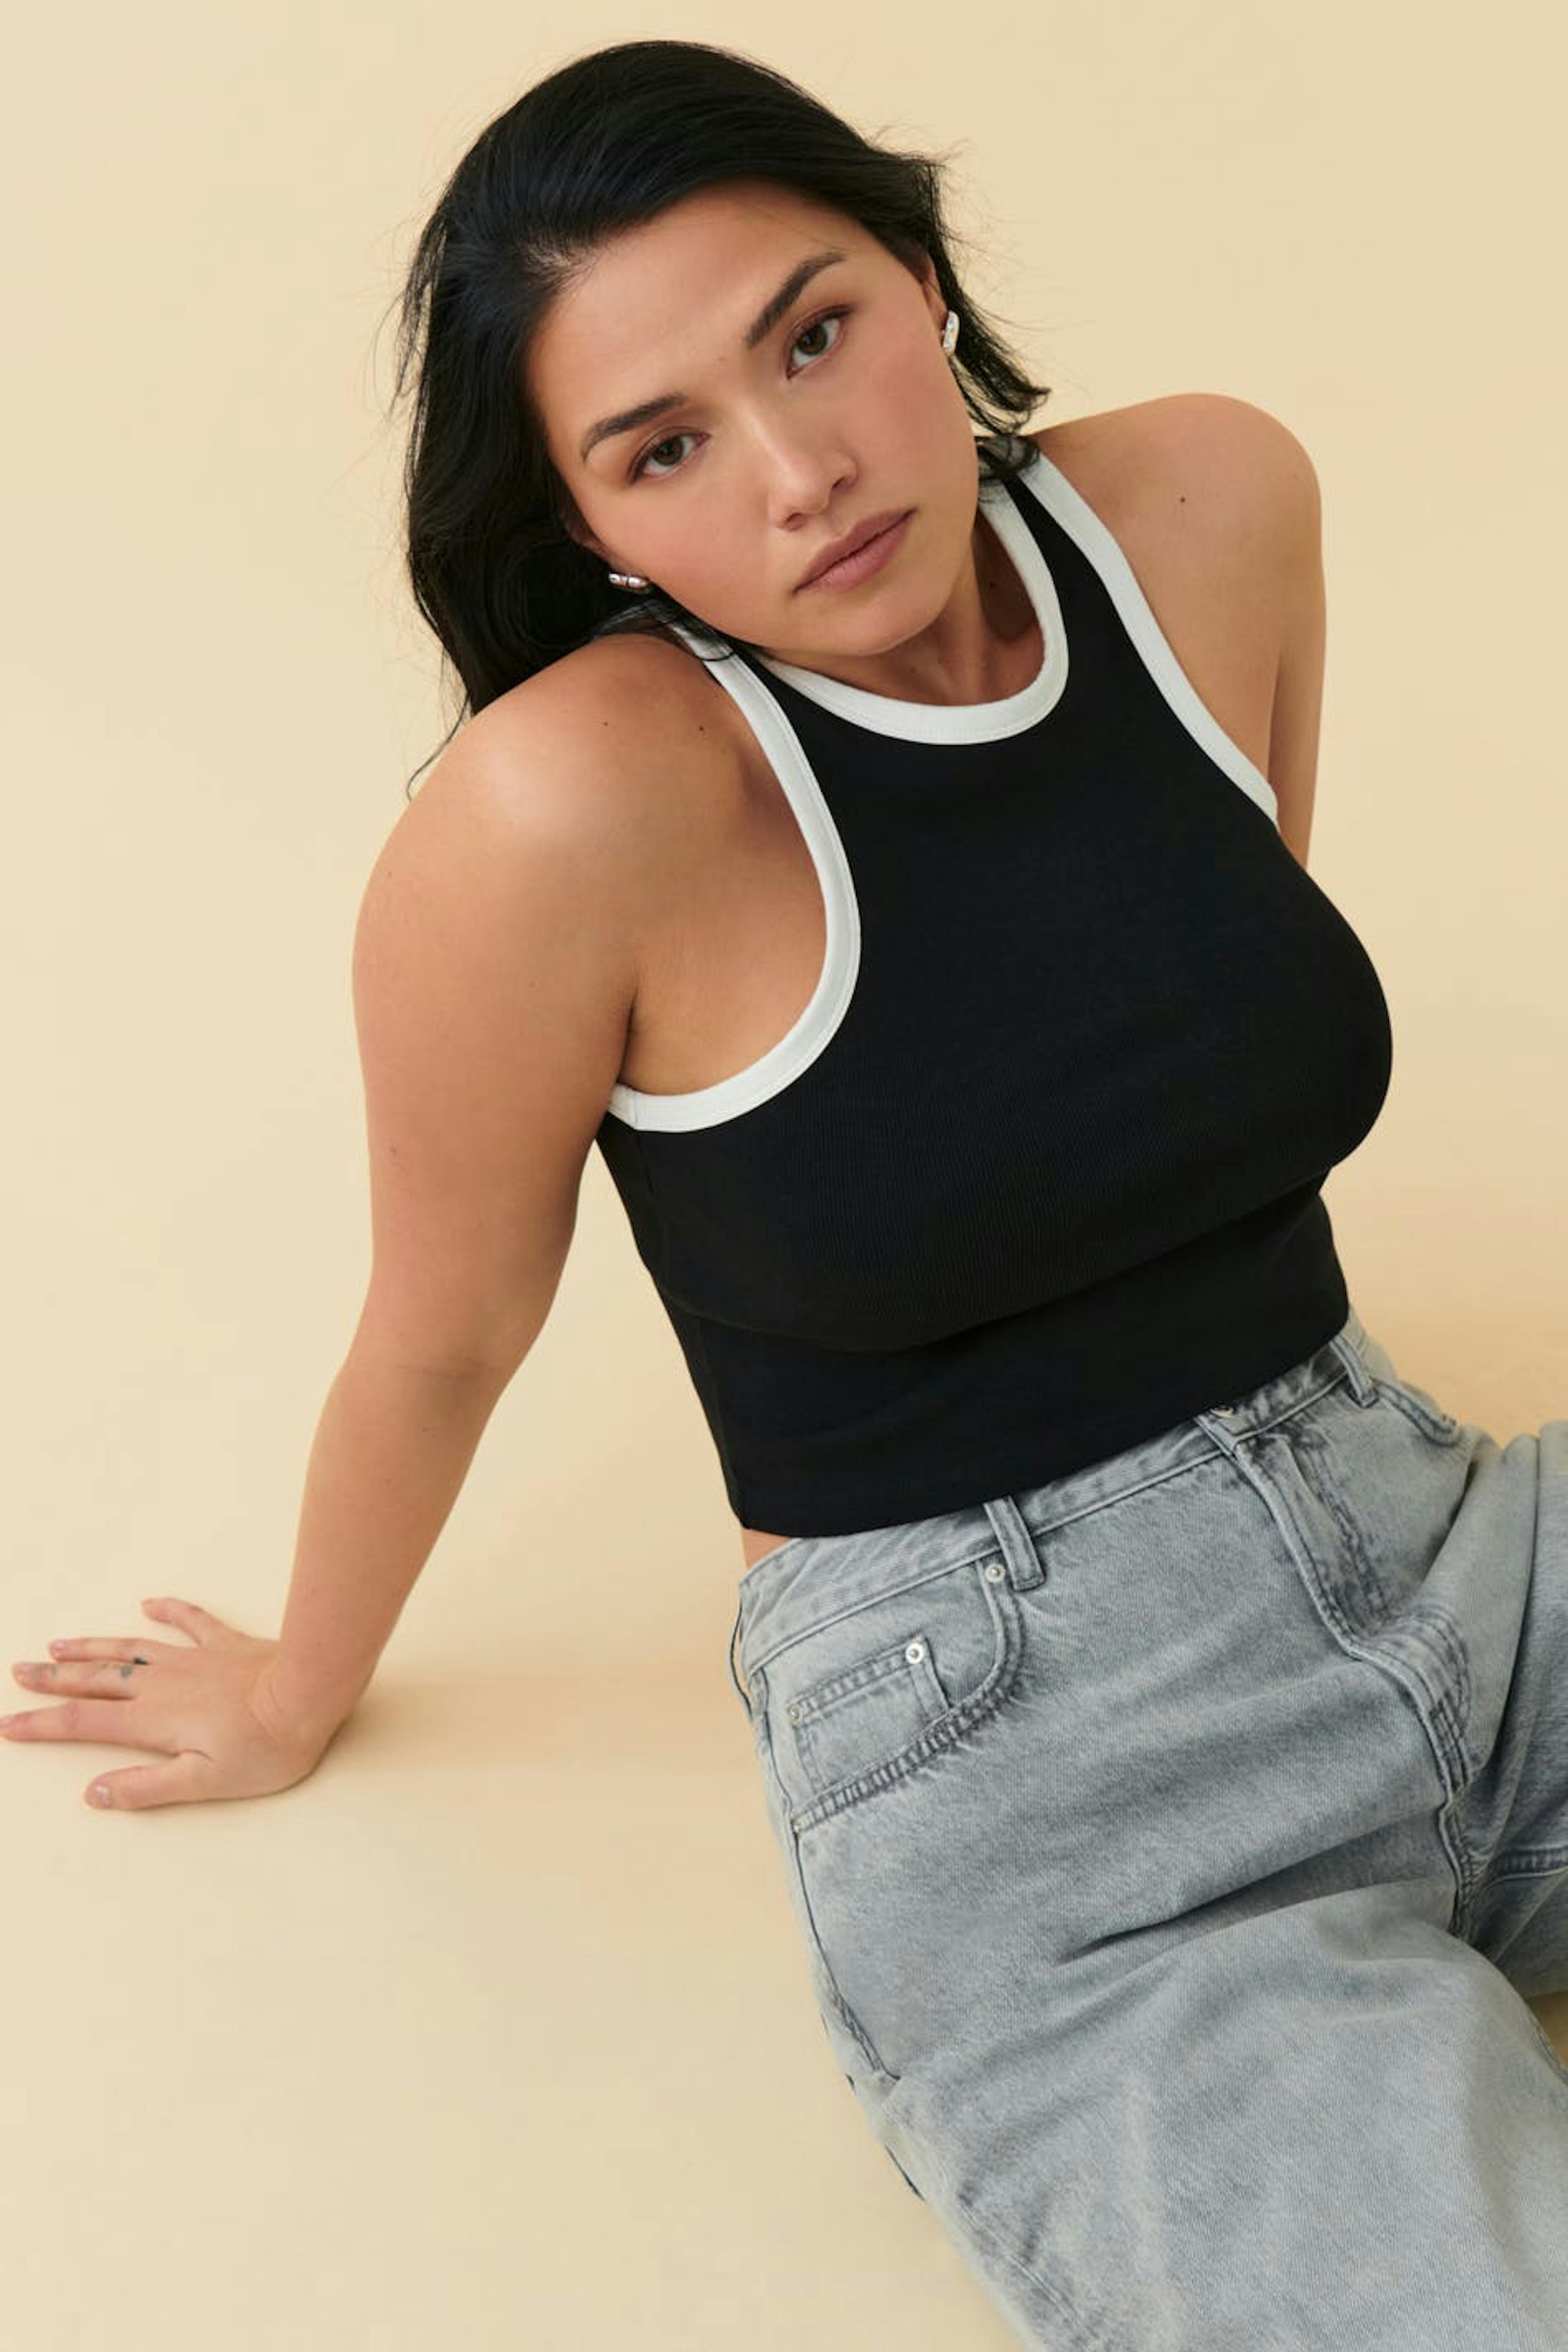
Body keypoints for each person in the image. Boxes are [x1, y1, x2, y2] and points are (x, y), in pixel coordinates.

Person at [7, 36, 1568, 2348]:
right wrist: (296, 1687)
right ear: (593, 532)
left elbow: (1207, 1008)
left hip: (1451, 1553)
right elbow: (447, 1327)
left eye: (815, 333)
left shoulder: (1206, 510)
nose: (800, 471)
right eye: (665, 449)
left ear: (921, 276)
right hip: (1046, 1796)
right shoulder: (561, 819)